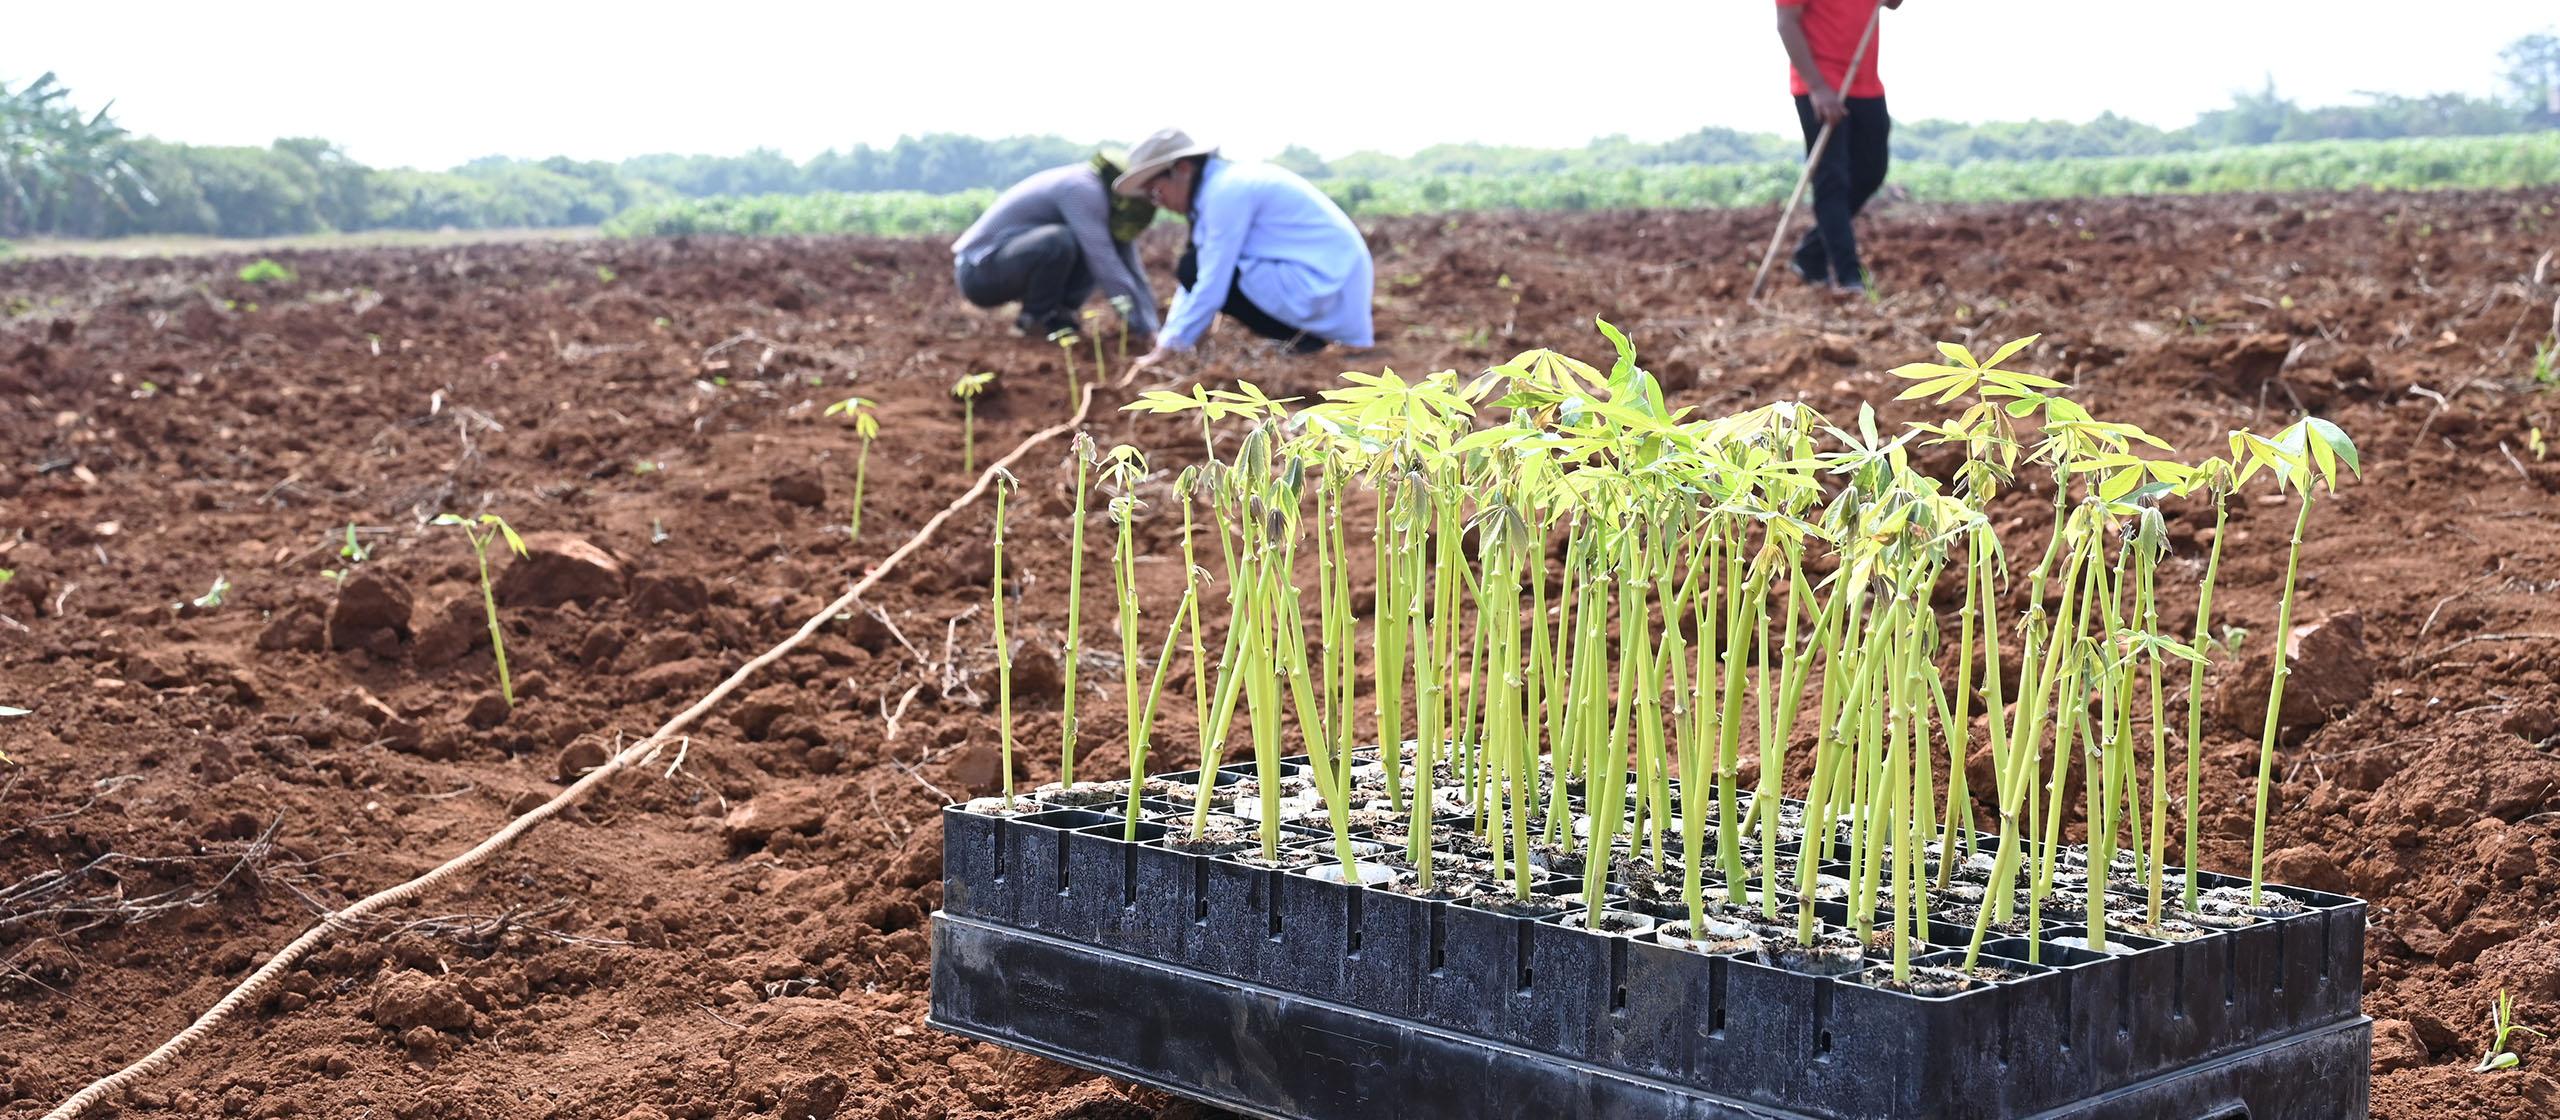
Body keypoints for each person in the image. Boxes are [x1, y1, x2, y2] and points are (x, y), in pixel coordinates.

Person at [1113, 129, 1373, 377]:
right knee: (1193, 268)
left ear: (1182, 169)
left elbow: (1210, 282)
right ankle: (1302, 340)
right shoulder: (1220, 188)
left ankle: (1305, 343)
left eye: (1157, 192)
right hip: (1323, 279)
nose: (1162, 203)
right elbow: (1195, 279)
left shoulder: (1225, 192)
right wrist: (1170, 338)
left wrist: (1171, 346)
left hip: (1325, 284)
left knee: (1196, 270)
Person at [951, 153, 1162, 341]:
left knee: (1091, 241)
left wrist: (1152, 327)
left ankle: (1060, 316)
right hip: (979, 272)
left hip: (1007, 262)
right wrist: (1140, 326)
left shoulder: (1105, 201)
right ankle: (1035, 319)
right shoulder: (1082, 189)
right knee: (1063, 241)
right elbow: (1104, 262)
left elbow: (1132, 269)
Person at [1777, 0, 1901, 296]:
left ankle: (1810, 254)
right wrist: (1818, 87)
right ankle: (1849, 277)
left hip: (1866, 83)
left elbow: (1893, 3)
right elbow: (1786, 22)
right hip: (1820, 87)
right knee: (1832, 179)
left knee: (1871, 171)